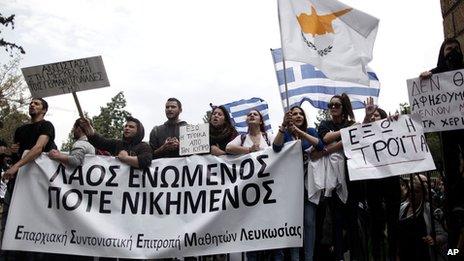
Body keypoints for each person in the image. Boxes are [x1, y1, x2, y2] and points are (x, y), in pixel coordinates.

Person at [421, 38, 464, 251]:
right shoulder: (436, 73)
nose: (453, 52)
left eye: (456, 49)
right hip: (448, 131)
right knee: (451, 166)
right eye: (449, 49)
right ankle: (453, 250)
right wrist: (425, 79)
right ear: (442, 52)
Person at [2, 98, 57, 261]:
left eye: (37, 104)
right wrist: (10, 151)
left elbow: (38, 149)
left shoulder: (47, 126)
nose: (32, 105)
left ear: (44, 110)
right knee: (8, 216)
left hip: (36, 183)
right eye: (31, 103)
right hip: (16, 182)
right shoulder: (20, 129)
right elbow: (15, 152)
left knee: (33, 219)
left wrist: (16, 166)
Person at [317, 93, 366, 261]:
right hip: (332, 181)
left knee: (353, 223)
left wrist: (331, 148)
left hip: (352, 179)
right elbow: (325, 137)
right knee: (336, 223)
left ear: (343, 107)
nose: (333, 108)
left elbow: (355, 138)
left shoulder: (352, 124)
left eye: (336, 105)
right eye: (330, 105)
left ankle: (357, 256)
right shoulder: (325, 124)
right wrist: (346, 134)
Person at [273, 106, 324, 261]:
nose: (298, 115)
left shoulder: (311, 131)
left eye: (300, 113)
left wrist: (300, 132)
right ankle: (295, 258)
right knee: (294, 223)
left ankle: (309, 258)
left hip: (309, 185)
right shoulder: (286, 134)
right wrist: (284, 127)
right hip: (290, 188)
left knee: (309, 222)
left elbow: (320, 145)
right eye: (294, 114)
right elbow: (276, 147)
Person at [226, 108, 274, 261]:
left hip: (268, 191)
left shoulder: (268, 137)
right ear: (246, 120)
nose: (252, 115)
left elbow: (280, 148)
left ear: (261, 120)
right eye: (249, 114)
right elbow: (228, 148)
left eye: (255, 114)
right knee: (251, 233)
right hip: (249, 192)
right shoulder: (241, 138)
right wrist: (248, 149)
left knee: (273, 234)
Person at [362, 98, 401, 261]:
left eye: (377, 115)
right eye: (372, 115)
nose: (374, 117)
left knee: (393, 222)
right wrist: (366, 117)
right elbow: (357, 135)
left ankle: (392, 255)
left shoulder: (390, 128)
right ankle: (377, 255)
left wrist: (396, 122)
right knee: (376, 223)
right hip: (372, 182)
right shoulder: (364, 131)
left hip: (391, 179)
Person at [398, 174, 448, 261]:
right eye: (410, 191)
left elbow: (443, 235)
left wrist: (434, 239)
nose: (412, 194)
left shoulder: (430, 210)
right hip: (405, 254)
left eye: (416, 191)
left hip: (423, 255)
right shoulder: (402, 208)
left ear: (423, 193)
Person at [80, 116, 152, 169]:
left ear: (138, 131)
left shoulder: (144, 146)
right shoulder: (117, 144)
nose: (127, 128)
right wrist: (90, 132)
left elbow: (146, 162)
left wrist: (126, 158)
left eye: (131, 127)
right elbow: (101, 142)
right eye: (126, 126)